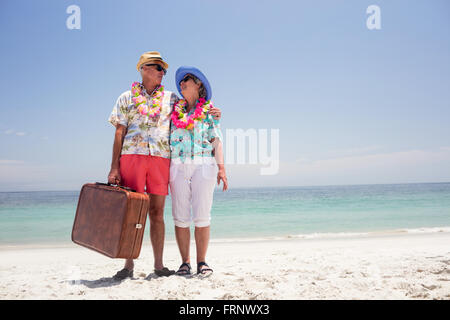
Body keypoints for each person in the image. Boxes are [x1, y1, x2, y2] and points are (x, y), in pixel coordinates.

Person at [107, 52, 221, 280]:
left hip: (161, 159)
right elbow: (119, 132)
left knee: (157, 213)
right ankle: (128, 265)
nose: (162, 73)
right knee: (133, 213)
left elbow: (195, 107)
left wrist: (214, 111)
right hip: (132, 157)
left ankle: (159, 265)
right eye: (158, 68)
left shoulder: (171, 99)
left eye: (163, 69)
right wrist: (114, 167)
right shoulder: (126, 98)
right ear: (143, 68)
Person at [169, 66, 228, 277]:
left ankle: (202, 261)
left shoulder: (209, 111)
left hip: (204, 163)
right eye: (181, 81)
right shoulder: (174, 109)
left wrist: (222, 168)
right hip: (176, 165)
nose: (182, 83)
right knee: (180, 216)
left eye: (186, 79)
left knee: (202, 215)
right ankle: (185, 263)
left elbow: (216, 140)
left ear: (198, 84)